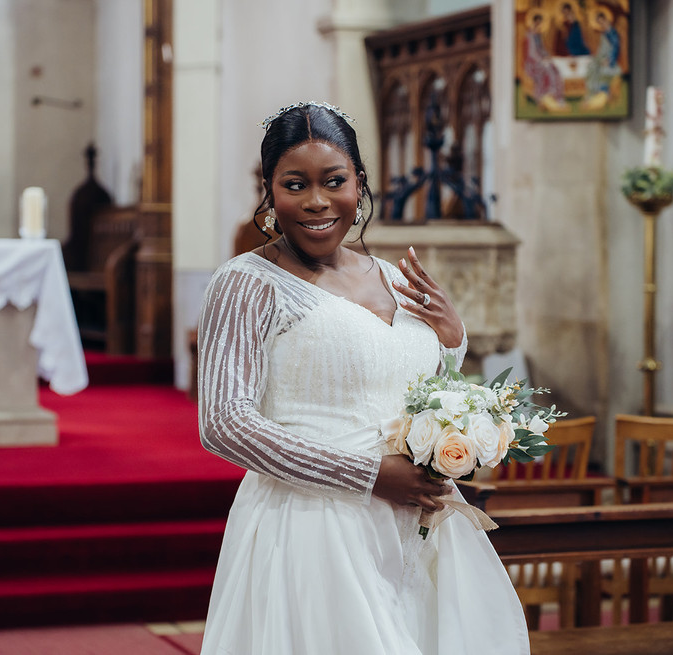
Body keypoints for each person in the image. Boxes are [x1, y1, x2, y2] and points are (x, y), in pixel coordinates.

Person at [196, 101, 529, 654]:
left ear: (360, 182)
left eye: (334, 181)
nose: (317, 202)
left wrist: (451, 338)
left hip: (416, 526)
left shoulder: (396, 279)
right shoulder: (247, 283)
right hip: (311, 527)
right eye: (295, 184)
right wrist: (367, 475)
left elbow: (413, 385)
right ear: (268, 190)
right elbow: (224, 424)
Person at [521, 12, 569, 113]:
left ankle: (557, 98)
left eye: (540, 24)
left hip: (541, 60)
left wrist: (547, 56)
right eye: (536, 23)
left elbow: (542, 49)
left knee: (555, 69)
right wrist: (542, 60)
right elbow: (532, 53)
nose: (538, 26)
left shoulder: (538, 35)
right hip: (532, 64)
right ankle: (544, 97)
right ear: (533, 23)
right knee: (547, 70)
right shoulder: (529, 36)